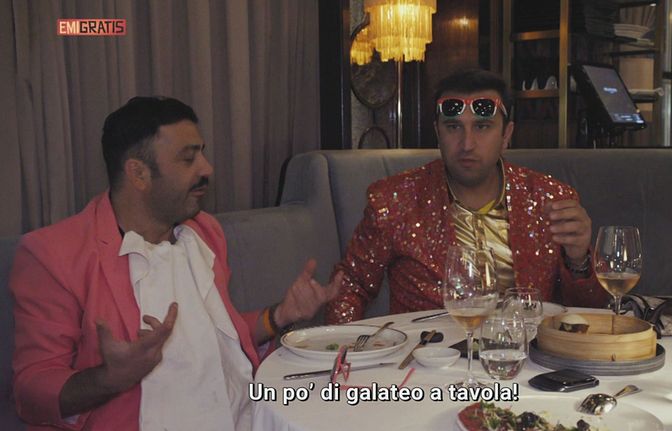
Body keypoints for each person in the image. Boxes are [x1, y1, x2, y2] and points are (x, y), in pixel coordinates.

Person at [10, 97, 342, 430]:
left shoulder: (204, 232)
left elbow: (212, 335)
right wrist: (110, 378)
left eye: (202, 153)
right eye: (188, 158)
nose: (207, 168)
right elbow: (30, 390)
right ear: (138, 173)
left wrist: (280, 315)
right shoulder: (54, 254)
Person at [326, 69, 608, 324]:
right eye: (453, 127)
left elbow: (587, 316)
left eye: (482, 127)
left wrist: (579, 261)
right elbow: (351, 285)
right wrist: (343, 353)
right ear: (437, 132)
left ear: (506, 135)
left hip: (528, 357)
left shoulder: (552, 199)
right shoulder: (393, 200)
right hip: (425, 357)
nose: (467, 144)